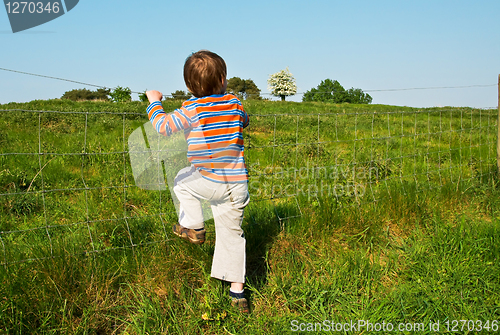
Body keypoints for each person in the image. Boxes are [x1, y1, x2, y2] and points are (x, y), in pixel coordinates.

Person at [145, 50, 250, 313]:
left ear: (189, 86)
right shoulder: (235, 103)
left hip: (207, 178)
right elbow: (244, 121)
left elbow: (163, 126)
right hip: (237, 184)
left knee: (181, 180)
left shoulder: (191, 108)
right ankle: (237, 294)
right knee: (233, 235)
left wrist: (154, 102)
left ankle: (193, 226)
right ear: (223, 78)